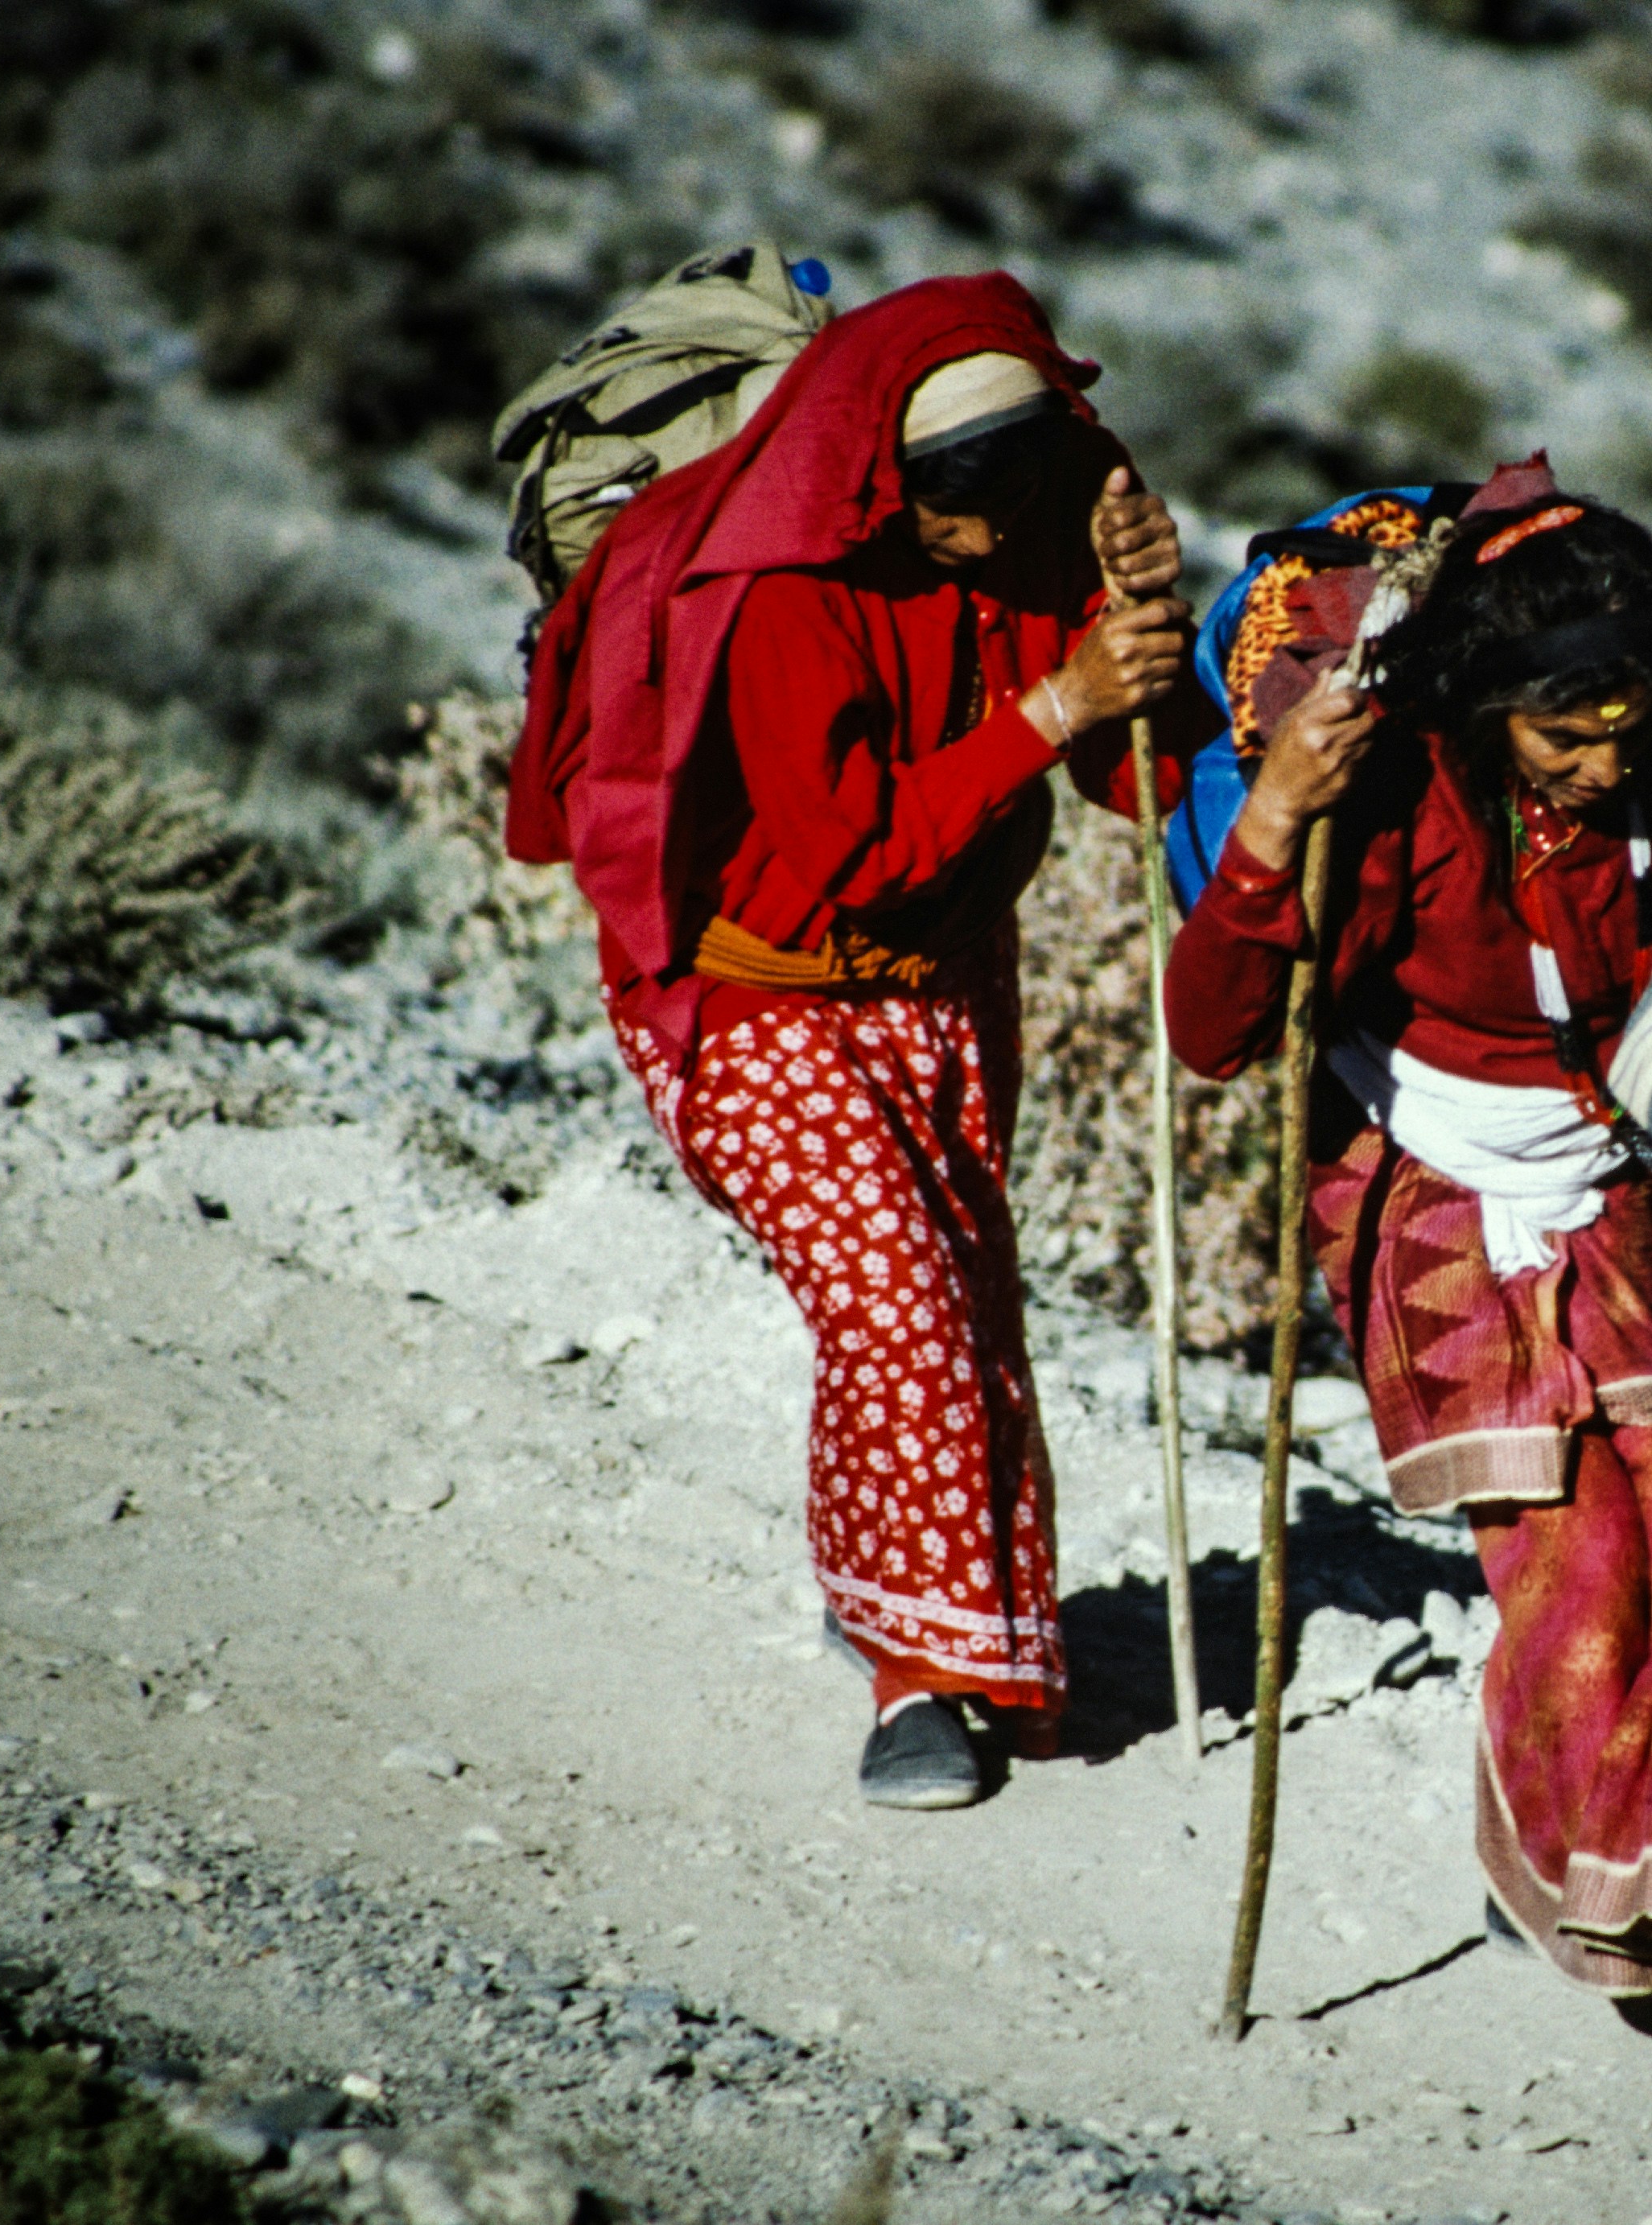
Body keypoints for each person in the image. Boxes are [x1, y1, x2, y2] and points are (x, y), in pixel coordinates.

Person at [506, 273, 1204, 1811]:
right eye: (960, 509)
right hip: (754, 990)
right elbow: (843, 853)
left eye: (1012, 500)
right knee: (899, 1308)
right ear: (889, 478)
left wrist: (1149, 626)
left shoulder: (1029, 524)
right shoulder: (780, 592)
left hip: (948, 979)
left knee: (951, 1294)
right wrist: (1053, 700)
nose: (983, 534)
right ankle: (924, 1685)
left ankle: (884, 1588)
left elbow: (1126, 776)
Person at [1162, 459, 1652, 2042]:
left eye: (1622, 722)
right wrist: (1273, 825)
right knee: (1589, 1510)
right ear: (1481, 708)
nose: (1601, 763)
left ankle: (1645, 1879)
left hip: (1633, 1178)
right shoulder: (1386, 798)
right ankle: (1622, 1896)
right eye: (1560, 731)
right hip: (1429, 1179)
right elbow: (1213, 1033)